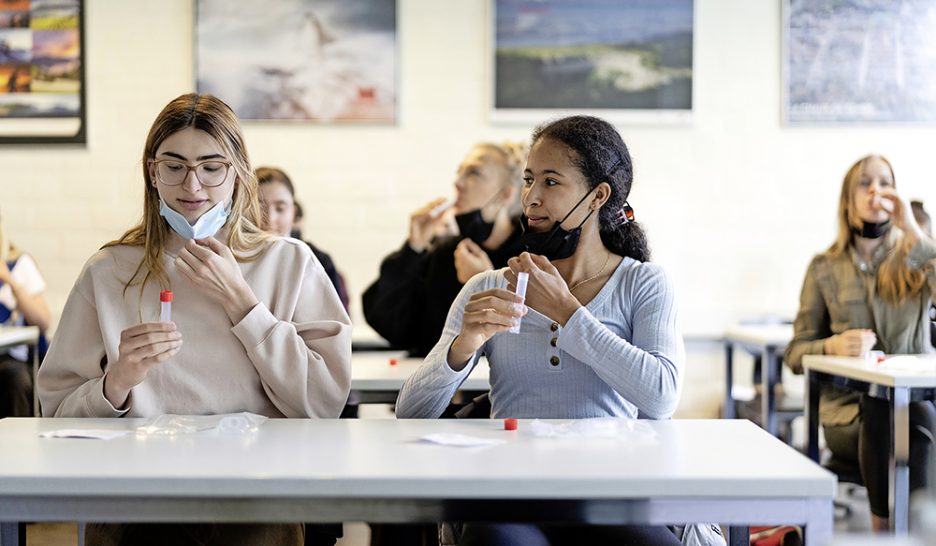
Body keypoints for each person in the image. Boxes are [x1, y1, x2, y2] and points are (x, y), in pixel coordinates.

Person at [37, 93, 352, 546]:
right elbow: (55, 416)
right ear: (152, 171)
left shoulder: (290, 262)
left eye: (211, 166)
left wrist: (244, 305)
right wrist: (116, 382)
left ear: (238, 172)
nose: (193, 186)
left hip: (256, 493)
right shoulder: (108, 271)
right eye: (174, 166)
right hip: (138, 498)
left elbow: (323, 403)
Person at [396, 116, 684, 546]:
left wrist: (569, 314)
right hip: (509, 495)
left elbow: (662, 397)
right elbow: (410, 412)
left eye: (551, 182)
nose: (531, 197)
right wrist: (463, 345)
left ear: (597, 196)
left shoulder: (643, 283)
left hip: (610, 493)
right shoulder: (489, 285)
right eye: (529, 180)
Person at [784, 155, 936, 532]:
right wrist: (833, 345)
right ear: (847, 200)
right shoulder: (824, 267)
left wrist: (914, 235)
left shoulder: (916, 259)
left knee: (915, 419)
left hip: (912, 408)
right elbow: (795, 352)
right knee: (881, 406)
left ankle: (908, 529)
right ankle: (886, 530)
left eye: (885, 183)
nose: (876, 192)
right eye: (864, 183)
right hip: (848, 416)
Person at [363, 142, 527, 357]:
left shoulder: (531, 258)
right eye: (459, 172)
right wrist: (414, 247)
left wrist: (484, 282)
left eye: (474, 173)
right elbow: (393, 326)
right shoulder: (446, 252)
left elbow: (529, 345)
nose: (458, 182)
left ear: (506, 194)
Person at [256, 166, 350, 311]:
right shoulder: (230, 257)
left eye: (280, 208)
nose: (270, 218)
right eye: (259, 207)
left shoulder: (317, 261)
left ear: (293, 213)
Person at [0, 219, 50, 418]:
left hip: (14, 357)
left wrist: (9, 280)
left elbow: (43, 321)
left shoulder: (19, 264)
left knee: (15, 380)